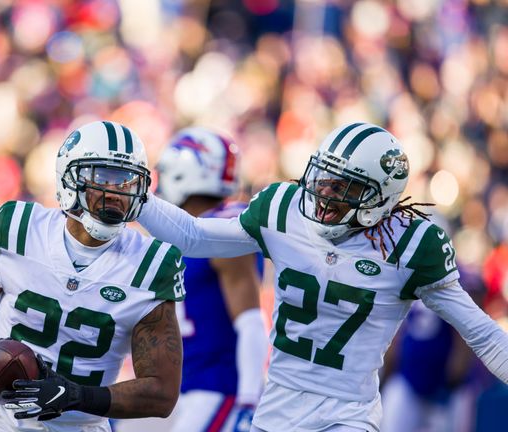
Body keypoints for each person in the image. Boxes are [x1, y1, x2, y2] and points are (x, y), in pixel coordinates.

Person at [134, 122, 508, 432]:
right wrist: (134, 196)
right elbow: (193, 236)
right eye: (324, 178)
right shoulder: (284, 210)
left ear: (379, 197)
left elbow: (483, 334)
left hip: (347, 416)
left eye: (344, 187)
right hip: (276, 411)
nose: (325, 193)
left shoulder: (410, 246)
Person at [0, 120, 185, 432]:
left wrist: (75, 395)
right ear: (68, 179)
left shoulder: (150, 265)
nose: (116, 192)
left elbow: (161, 393)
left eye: (127, 181)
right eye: (103, 177)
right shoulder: (19, 229)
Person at [155, 127, 268, 432]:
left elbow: (251, 321)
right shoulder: (183, 233)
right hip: (187, 388)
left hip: (220, 388)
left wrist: (249, 400)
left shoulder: (223, 229)